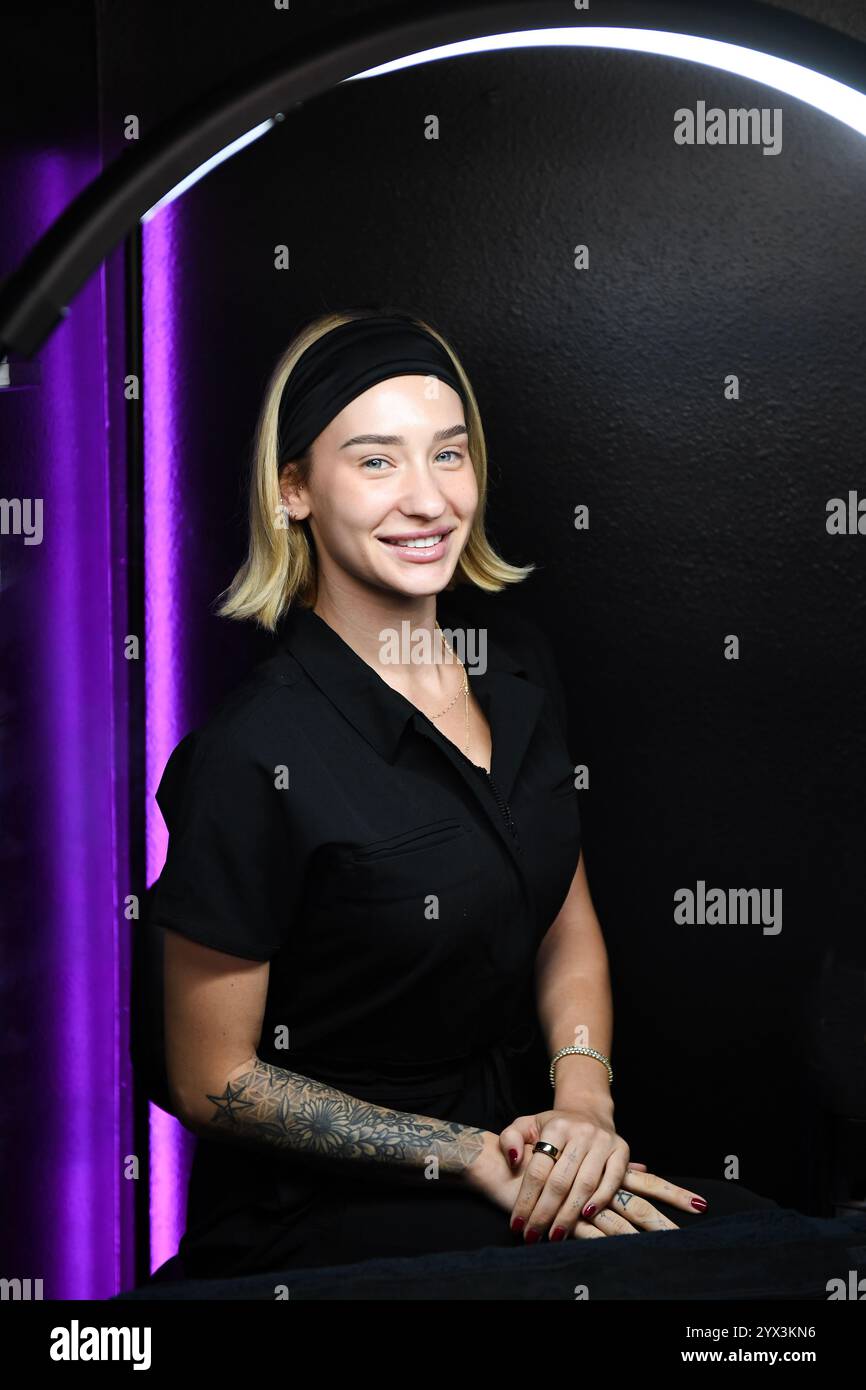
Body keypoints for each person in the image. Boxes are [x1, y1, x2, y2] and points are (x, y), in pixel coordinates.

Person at [152, 307, 777, 1280]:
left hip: (528, 1152)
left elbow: (565, 925)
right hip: (324, 1221)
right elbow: (210, 1075)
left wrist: (582, 1107)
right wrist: (462, 1154)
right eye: (374, 461)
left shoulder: (516, 669)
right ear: (291, 491)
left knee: (775, 1254)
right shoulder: (249, 753)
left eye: (447, 455)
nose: (426, 498)